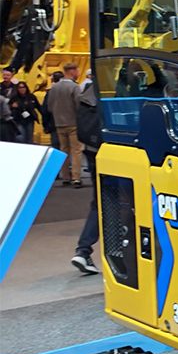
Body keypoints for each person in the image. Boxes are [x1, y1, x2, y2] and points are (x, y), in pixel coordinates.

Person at [71, 82, 101, 275]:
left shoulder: (89, 91)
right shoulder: (119, 89)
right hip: (115, 152)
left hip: (92, 151)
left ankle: (83, 250)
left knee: (99, 203)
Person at [48, 62, 84, 187]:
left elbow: (50, 106)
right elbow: (78, 105)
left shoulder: (54, 88)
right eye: (77, 71)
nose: (78, 74)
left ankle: (65, 176)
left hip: (59, 123)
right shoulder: (74, 87)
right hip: (73, 122)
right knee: (76, 150)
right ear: (72, 71)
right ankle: (76, 177)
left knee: (63, 149)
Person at [40, 71, 63, 151]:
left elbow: (45, 109)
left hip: (54, 123)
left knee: (56, 146)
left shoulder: (50, 92)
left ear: (53, 80)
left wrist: (45, 125)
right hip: (69, 123)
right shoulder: (71, 88)